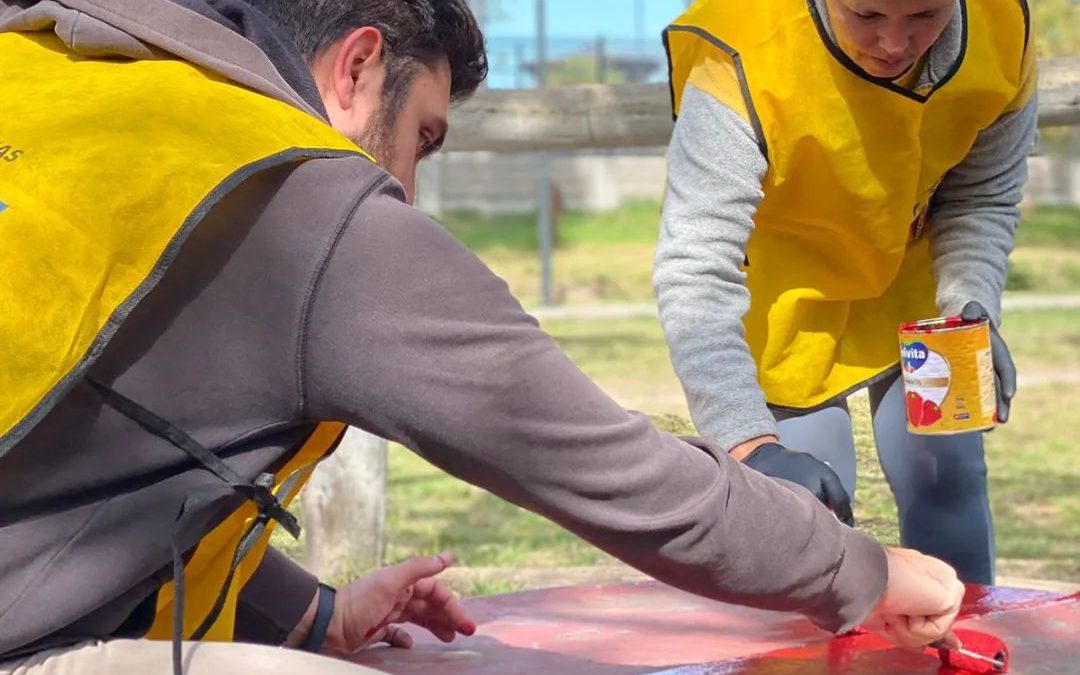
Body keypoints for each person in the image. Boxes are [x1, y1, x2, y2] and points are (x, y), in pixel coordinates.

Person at [0, 1, 964, 674]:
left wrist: (311, 612)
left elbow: (90, 449)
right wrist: (861, 570)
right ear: (358, 64)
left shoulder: (55, 83)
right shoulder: (297, 200)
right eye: (421, 136)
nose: (409, 192)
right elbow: (604, 465)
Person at [655, 0, 1034, 587]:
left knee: (948, 476)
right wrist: (750, 445)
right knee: (804, 518)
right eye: (867, 15)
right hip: (784, 300)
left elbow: (981, 194)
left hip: (916, 282)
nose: (894, 44)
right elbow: (695, 265)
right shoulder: (738, 58)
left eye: (924, 17)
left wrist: (969, 306)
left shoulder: (1004, 27)